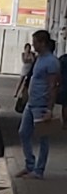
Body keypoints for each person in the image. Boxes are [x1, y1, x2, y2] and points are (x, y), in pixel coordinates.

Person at [17, 30, 59, 180]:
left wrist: (49, 109)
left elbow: (53, 86)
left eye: (35, 42)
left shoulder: (51, 62)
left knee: (43, 138)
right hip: (31, 103)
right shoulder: (39, 59)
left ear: (42, 43)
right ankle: (30, 164)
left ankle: (39, 170)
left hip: (41, 105)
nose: (33, 45)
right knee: (23, 132)